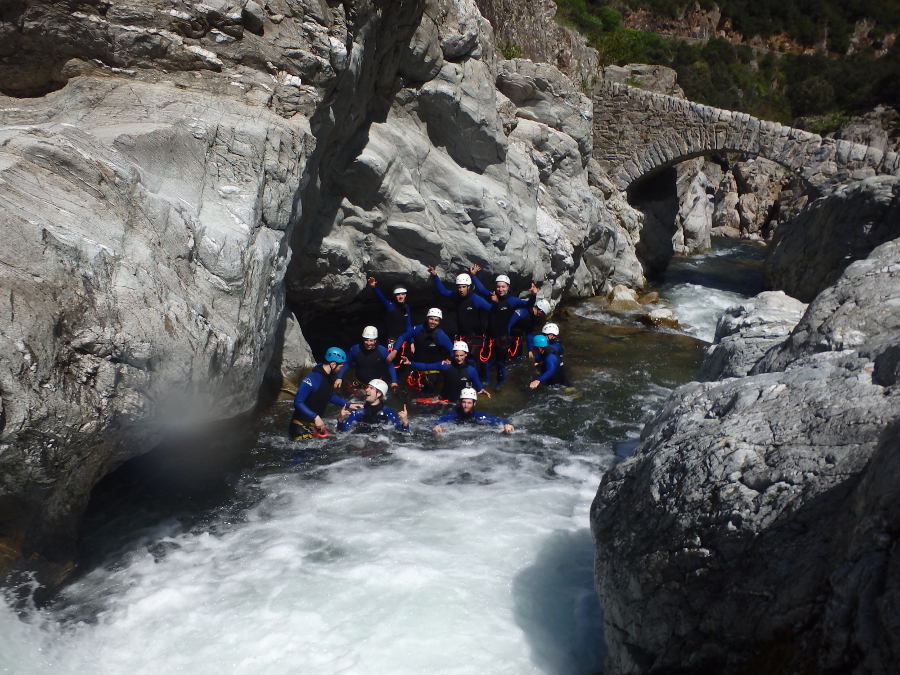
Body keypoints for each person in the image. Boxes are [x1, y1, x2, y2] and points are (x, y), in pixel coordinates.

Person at [473, 272, 537, 385]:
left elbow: (527, 305)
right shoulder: (491, 295)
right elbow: (481, 289)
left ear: (508, 287)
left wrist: (533, 295)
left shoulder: (512, 301)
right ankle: (486, 383)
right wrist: (473, 276)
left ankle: (500, 384)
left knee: (500, 363)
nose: (500, 289)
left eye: (503, 286)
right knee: (486, 362)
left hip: (503, 338)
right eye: (498, 286)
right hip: (489, 336)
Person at [291, 347, 362, 440]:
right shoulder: (313, 378)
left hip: (313, 426)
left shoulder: (327, 377)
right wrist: (315, 417)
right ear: (333, 364)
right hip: (299, 427)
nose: (341, 370)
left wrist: (348, 405)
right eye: (340, 367)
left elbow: (328, 395)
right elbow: (298, 402)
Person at [401, 340, 489, 402]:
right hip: (443, 399)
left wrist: (481, 390)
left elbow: (478, 386)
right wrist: (410, 362)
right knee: (414, 401)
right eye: (456, 355)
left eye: (461, 355)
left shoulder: (471, 370)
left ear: (466, 354)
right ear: (453, 355)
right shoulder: (445, 365)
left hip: (460, 403)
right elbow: (426, 366)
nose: (459, 358)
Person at [427, 265, 491, 350]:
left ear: (469, 287)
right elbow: (443, 291)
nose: (461, 289)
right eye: (459, 287)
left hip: (475, 336)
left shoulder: (476, 299)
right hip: (461, 334)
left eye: (463, 287)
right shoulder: (456, 296)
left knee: (472, 360)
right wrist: (435, 275)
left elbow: (493, 310)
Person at [335, 326, 398, 394]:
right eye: (366, 340)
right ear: (363, 339)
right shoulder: (355, 349)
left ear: (375, 340)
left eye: (371, 340)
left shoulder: (382, 351)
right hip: (358, 382)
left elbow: (390, 365)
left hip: (375, 385)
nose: (368, 343)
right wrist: (339, 377)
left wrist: (394, 381)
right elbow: (347, 363)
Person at [337, 379, 409, 432]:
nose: (367, 390)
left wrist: (405, 423)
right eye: (367, 387)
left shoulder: (388, 413)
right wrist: (340, 420)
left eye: (371, 388)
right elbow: (342, 432)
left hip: (382, 443)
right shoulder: (359, 412)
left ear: (379, 394)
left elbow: (402, 434)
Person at [432, 388, 514, 434]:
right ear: (460, 403)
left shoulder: (479, 416)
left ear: (474, 404)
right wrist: (435, 426)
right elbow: (438, 421)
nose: (466, 405)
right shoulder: (454, 415)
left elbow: (499, 420)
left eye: (469, 403)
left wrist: (507, 424)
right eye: (463, 402)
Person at [366, 276, 412, 349]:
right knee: (390, 356)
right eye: (398, 294)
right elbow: (382, 298)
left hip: (404, 338)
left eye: (402, 294)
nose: (400, 296)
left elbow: (408, 325)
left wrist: (412, 341)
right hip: (392, 339)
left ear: (405, 295)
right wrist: (374, 287)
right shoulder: (390, 306)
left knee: (403, 357)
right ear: (395, 296)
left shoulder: (407, 307)